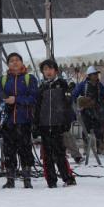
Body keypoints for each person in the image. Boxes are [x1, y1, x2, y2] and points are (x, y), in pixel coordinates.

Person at [0, 52, 38, 189]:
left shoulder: (30, 78)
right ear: (8, 64)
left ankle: (27, 179)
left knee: (25, 151)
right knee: (9, 152)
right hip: (8, 123)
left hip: (24, 121)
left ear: (22, 62)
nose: (15, 62)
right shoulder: (3, 80)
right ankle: (10, 179)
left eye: (17, 60)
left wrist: (16, 100)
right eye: (11, 60)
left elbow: (35, 98)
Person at [33, 59, 77, 188]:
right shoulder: (41, 88)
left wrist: (67, 121)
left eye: (50, 69)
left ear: (56, 70)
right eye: (45, 69)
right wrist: (36, 124)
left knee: (60, 153)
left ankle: (67, 178)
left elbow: (68, 105)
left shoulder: (62, 85)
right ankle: (51, 180)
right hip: (45, 125)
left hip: (58, 125)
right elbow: (37, 108)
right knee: (47, 155)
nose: (48, 72)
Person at [72, 66, 104, 151]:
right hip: (86, 111)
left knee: (99, 130)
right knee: (85, 129)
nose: (96, 76)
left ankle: (100, 148)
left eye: (96, 74)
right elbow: (74, 94)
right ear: (89, 75)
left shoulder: (100, 85)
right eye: (94, 74)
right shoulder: (83, 85)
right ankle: (86, 147)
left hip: (97, 110)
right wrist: (80, 102)